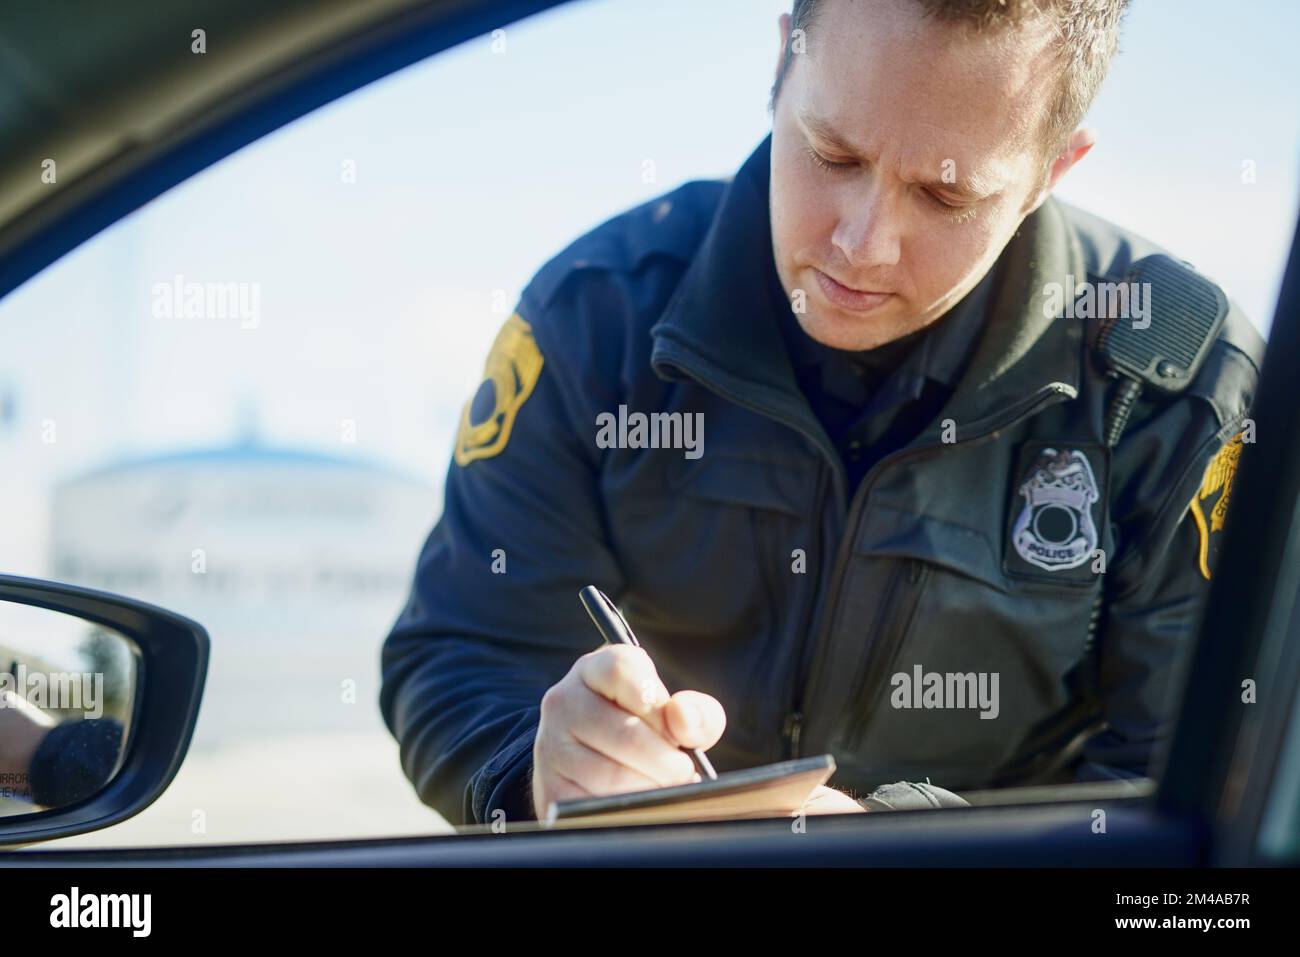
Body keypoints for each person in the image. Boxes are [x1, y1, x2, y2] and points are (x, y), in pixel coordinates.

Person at [380, 0, 1263, 826]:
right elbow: (458, 651)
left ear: (1050, 171)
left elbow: (1198, 795)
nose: (862, 244)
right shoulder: (595, 317)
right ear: (780, 68)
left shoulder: (1178, 394)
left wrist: (904, 847)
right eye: (832, 154)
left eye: (945, 196)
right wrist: (535, 773)